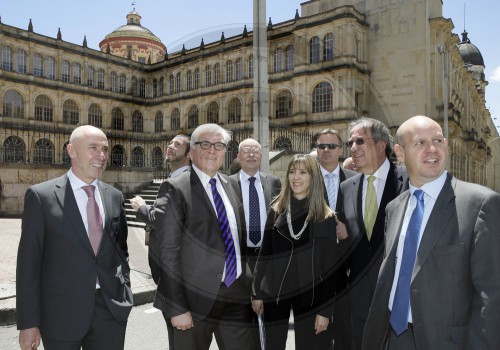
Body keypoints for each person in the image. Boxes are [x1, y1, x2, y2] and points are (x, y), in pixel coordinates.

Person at [363, 116, 500, 350]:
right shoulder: (394, 208)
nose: (432, 149)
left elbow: (492, 298)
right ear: (400, 152)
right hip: (393, 338)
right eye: (420, 143)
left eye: (438, 140)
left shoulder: (480, 204)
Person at [16, 125, 132, 350]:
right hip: (60, 316)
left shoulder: (115, 197)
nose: (101, 156)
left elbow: (121, 251)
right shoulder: (41, 197)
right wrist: (29, 323)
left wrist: (123, 289)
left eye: (105, 149)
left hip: (110, 313)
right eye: (93, 148)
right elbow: (28, 266)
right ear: (71, 150)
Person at [153, 123, 253, 350]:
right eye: (205, 144)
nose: (212, 150)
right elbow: (168, 252)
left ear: (225, 151)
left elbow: (239, 242)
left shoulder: (232, 185)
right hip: (193, 299)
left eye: (219, 145)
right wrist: (177, 307)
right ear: (193, 151)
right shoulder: (175, 188)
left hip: (236, 295)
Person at [252, 154, 343, 350]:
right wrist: (256, 293)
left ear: (314, 177)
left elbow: (330, 269)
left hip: (310, 298)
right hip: (275, 295)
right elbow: (264, 254)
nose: (296, 177)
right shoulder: (276, 210)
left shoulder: (325, 217)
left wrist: (325, 311)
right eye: (292, 172)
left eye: (303, 172)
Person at [339, 117, 408, 350]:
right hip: (358, 299)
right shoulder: (346, 188)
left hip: (397, 296)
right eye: (351, 142)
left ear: (381, 145)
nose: (353, 148)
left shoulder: (407, 180)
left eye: (360, 141)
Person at [129, 134, 190, 350]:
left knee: (179, 337)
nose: (170, 146)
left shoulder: (180, 181)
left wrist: (142, 209)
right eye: (170, 143)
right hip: (169, 272)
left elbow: (163, 221)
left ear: (189, 154)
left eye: (178, 145)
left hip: (175, 274)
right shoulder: (174, 179)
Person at [231, 138, 281, 349]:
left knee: (269, 316)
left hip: (267, 256)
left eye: (255, 151)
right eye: (246, 151)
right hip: (242, 257)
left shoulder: (274, 182)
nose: (251, 154)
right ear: (239, 157)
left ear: (262, 156)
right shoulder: (228, 183)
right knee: (244, 316)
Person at [315, 129, 356, 349]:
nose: (326, 150)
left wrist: (347, 230)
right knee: (318, 334)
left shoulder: (355, 180)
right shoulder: (306, 179)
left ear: (341, 150)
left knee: (344, 331)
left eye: (332, 146)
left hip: (346, 266)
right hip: (316, 267)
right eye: (322, 146)